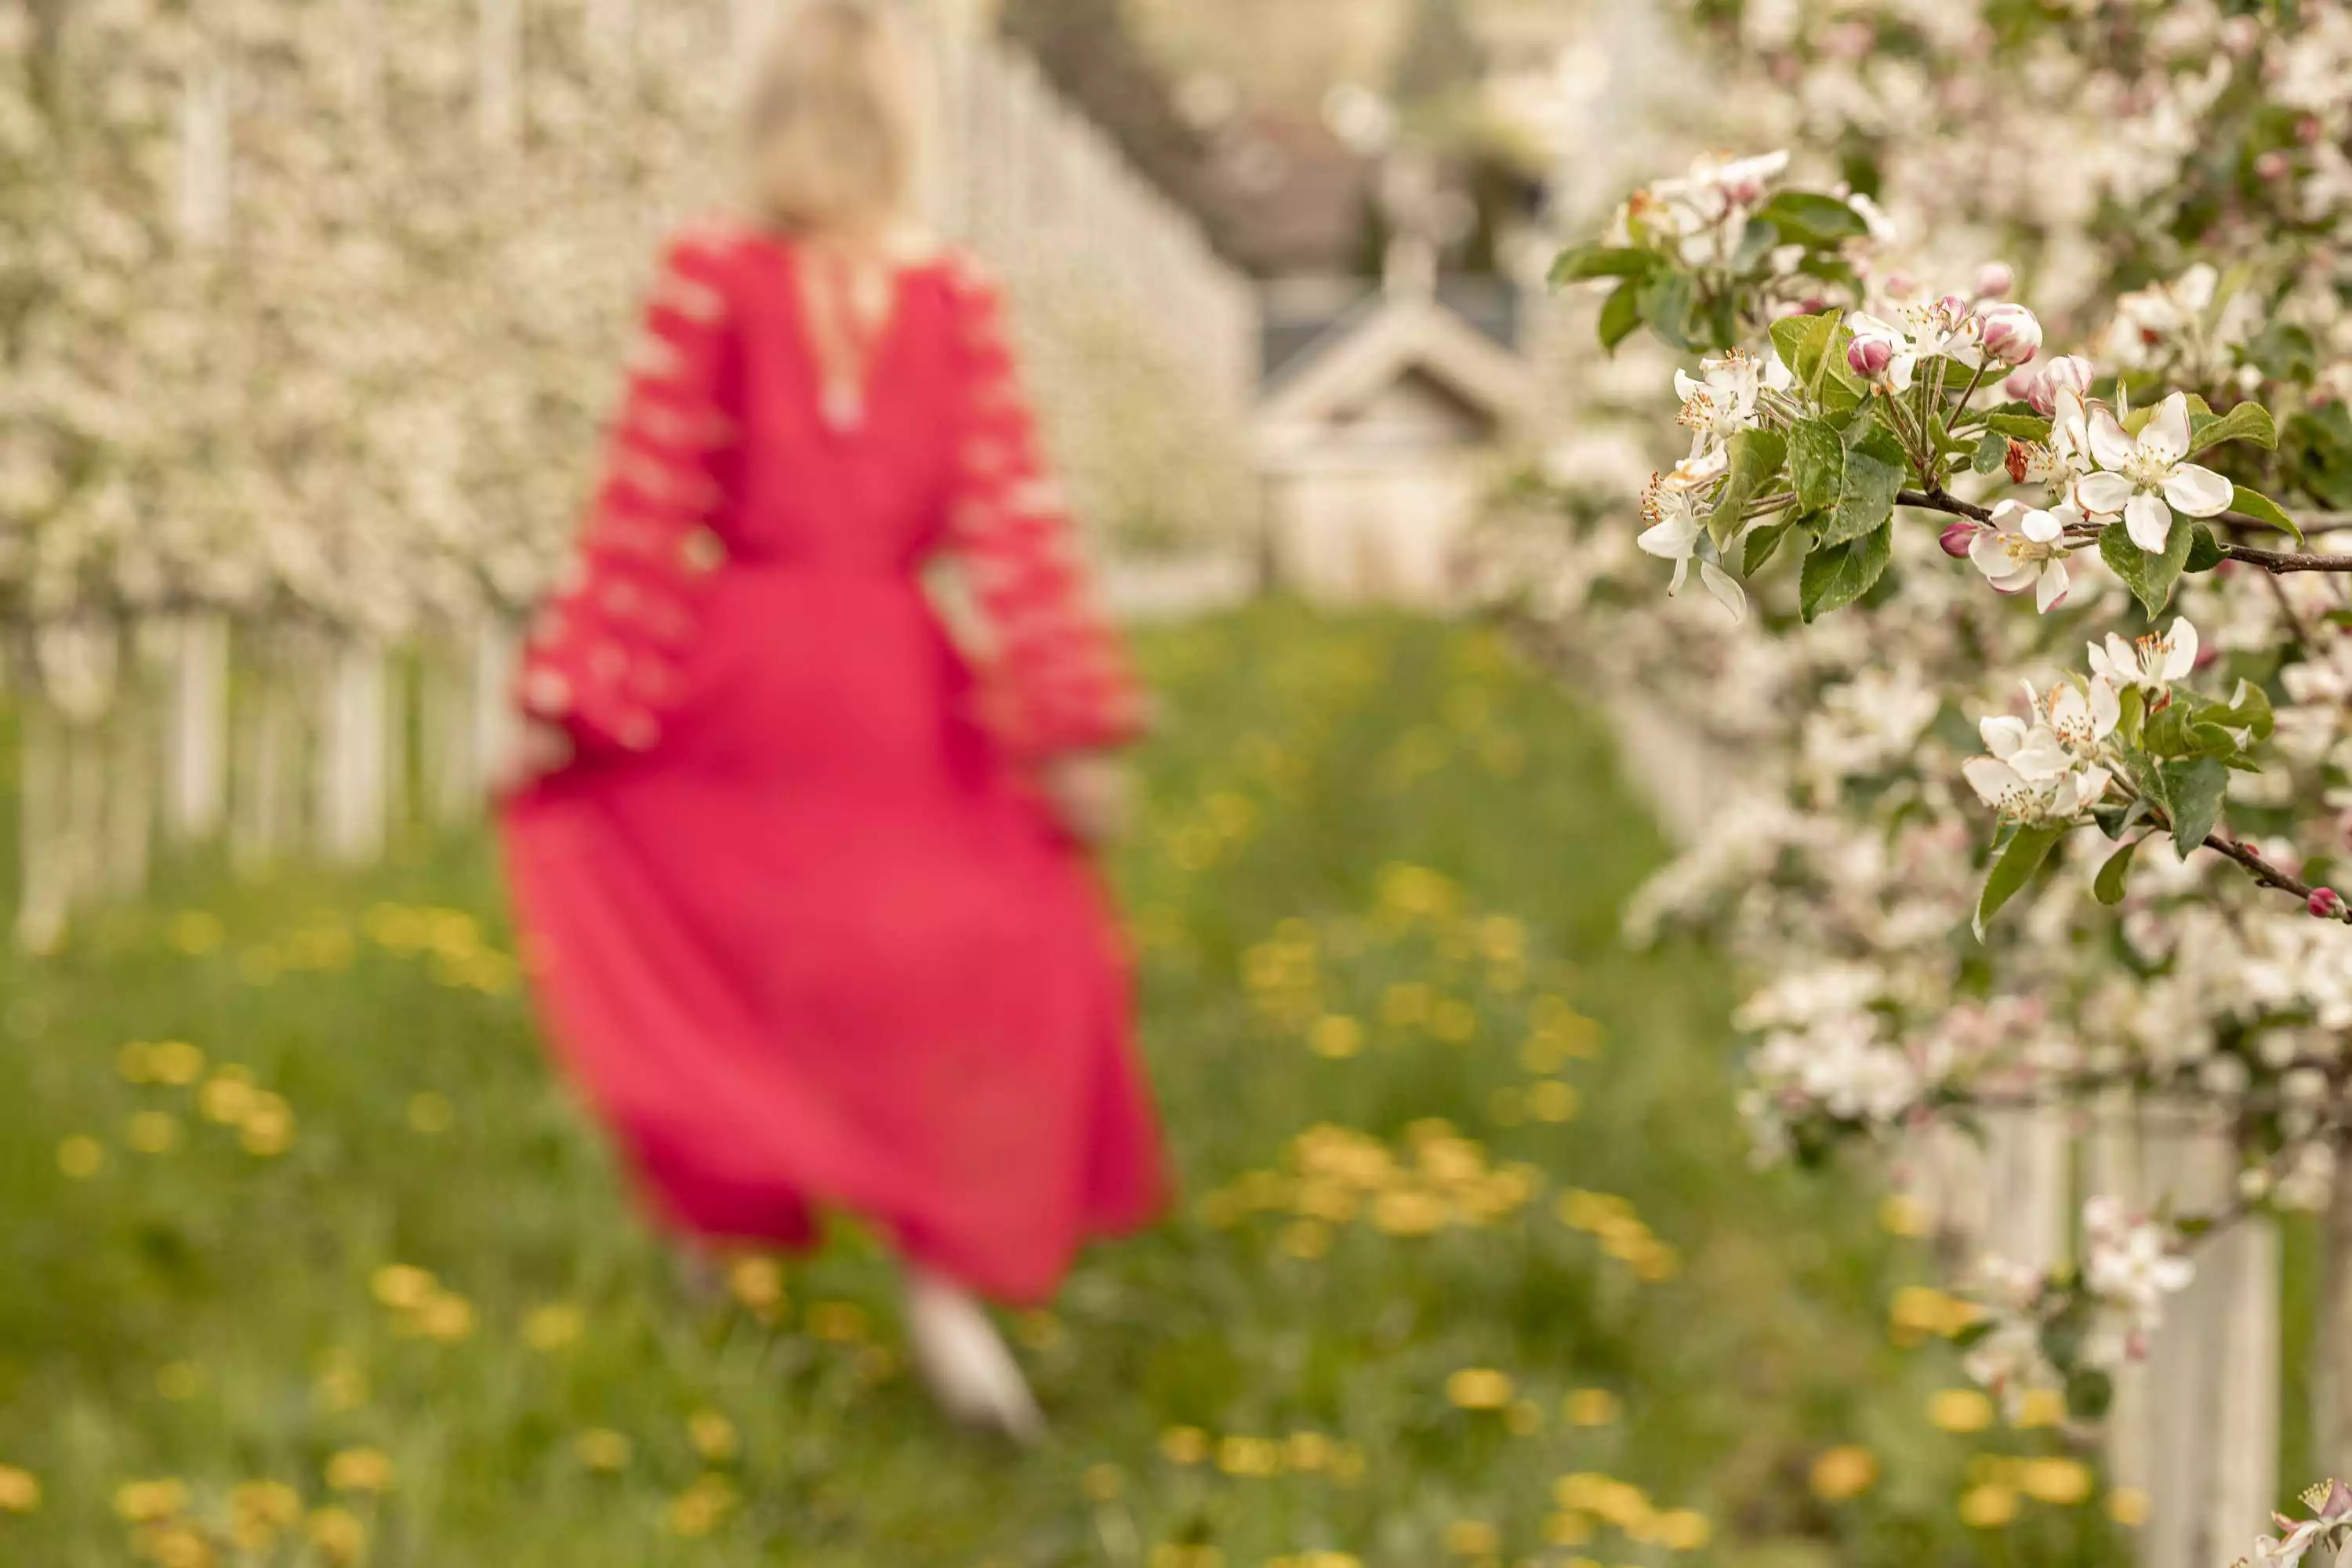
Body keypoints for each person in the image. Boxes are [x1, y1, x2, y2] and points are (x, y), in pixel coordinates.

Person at [494, 0, 1166, 1442]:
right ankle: (942, 1299)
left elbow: (642, 502)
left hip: (734, 677)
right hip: (893, 683)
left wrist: (568, 707)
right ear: (905, 121)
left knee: (731, 950)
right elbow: (1016, 530)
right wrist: (1065, 727)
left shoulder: (711, 280)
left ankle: (703, 1252)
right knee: (936, 968)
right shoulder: (957, 299)